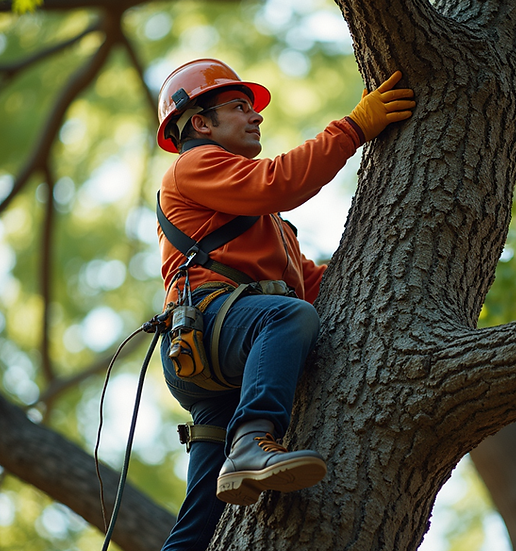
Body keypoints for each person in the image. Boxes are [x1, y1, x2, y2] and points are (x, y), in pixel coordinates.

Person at [154, 58, 415, 550]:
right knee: (288, 315)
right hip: (212, 327)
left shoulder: (259, 217)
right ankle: (252, 440)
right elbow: (279, 182)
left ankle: (235, 455)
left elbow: (313, 283)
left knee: (201, 519)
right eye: (239, 106)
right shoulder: (194, 165)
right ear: (200, 123)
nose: (255, 117)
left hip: (217, 355)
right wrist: (353, 128)